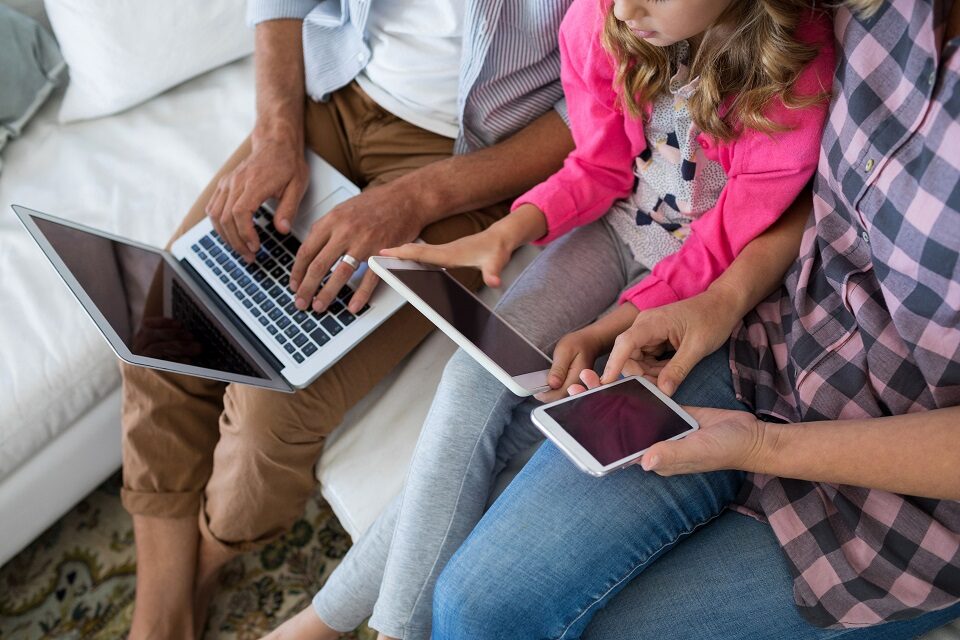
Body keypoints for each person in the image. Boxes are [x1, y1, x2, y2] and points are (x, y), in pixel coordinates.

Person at [263, 0, 834, 637]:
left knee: (536, 439)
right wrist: (510, 230)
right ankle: (368, 625)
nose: (627, 6)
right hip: (608, 232)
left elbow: (725, 245)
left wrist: (612, 326)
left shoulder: (794, 74)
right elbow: (595, 166)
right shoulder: (602, 18)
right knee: (469, 383)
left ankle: (329, 618)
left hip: (689, 291)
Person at [431, 0, 960, 638]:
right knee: (479, 604)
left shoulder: (793, 59)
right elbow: (819, 198)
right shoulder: (881, 12)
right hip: (767, 344)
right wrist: (723, 300)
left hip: (911, 505)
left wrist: (765, 446)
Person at [120, 2, 580, 638]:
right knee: (161, 325)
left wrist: (416, 198)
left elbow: (595, 109)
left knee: (274, 407)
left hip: (466, 162)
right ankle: (160, 607)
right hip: (330, 98)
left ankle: (206, 560)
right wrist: (277, 135)